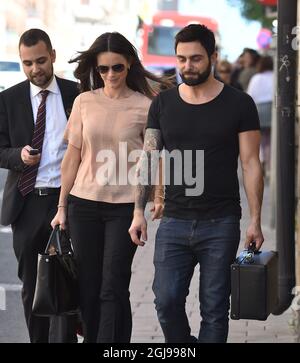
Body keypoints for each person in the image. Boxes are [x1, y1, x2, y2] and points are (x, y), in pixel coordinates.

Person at [129, 24, 264, 343]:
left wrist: (255, 220)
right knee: (166, 301)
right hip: (174, 220)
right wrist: (138, 211)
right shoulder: (162, 104)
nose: (187, 66)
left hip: (221, 221)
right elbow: (149, 158)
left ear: (213, 57)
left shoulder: (239, 104)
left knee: (215, 307)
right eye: (181, 59)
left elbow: (250, 163)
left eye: (196, 58)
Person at [51, 32, 169, 343]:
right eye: (103, 69)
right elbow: (72, 157)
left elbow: (152, 159)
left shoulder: (147, 106)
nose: (110, 74)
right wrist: (62, 207)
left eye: (117, 67)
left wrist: (155, 198)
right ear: (96, 69)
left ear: (129, 64)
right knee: (89, 286)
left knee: (113, 285)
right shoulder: (83, 103)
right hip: (83, 205)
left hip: (125, 208)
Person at [0, 29, 79, 343]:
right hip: (28, 202)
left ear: (53, 56)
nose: (35, 69)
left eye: (41, 61)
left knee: (68, 281)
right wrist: (17, 156)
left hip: (69, 201)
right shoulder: (9, 99)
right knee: (33, 285)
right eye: (27, 63)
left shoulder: (77, 94)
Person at [247, 56, 274, 179]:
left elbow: (250, 95)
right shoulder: (275, 76)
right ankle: (270, 166)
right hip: (272, 109)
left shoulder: (256, 78)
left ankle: (262, 160)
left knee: (261, 140)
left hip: (258, 109)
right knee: (271, 140)